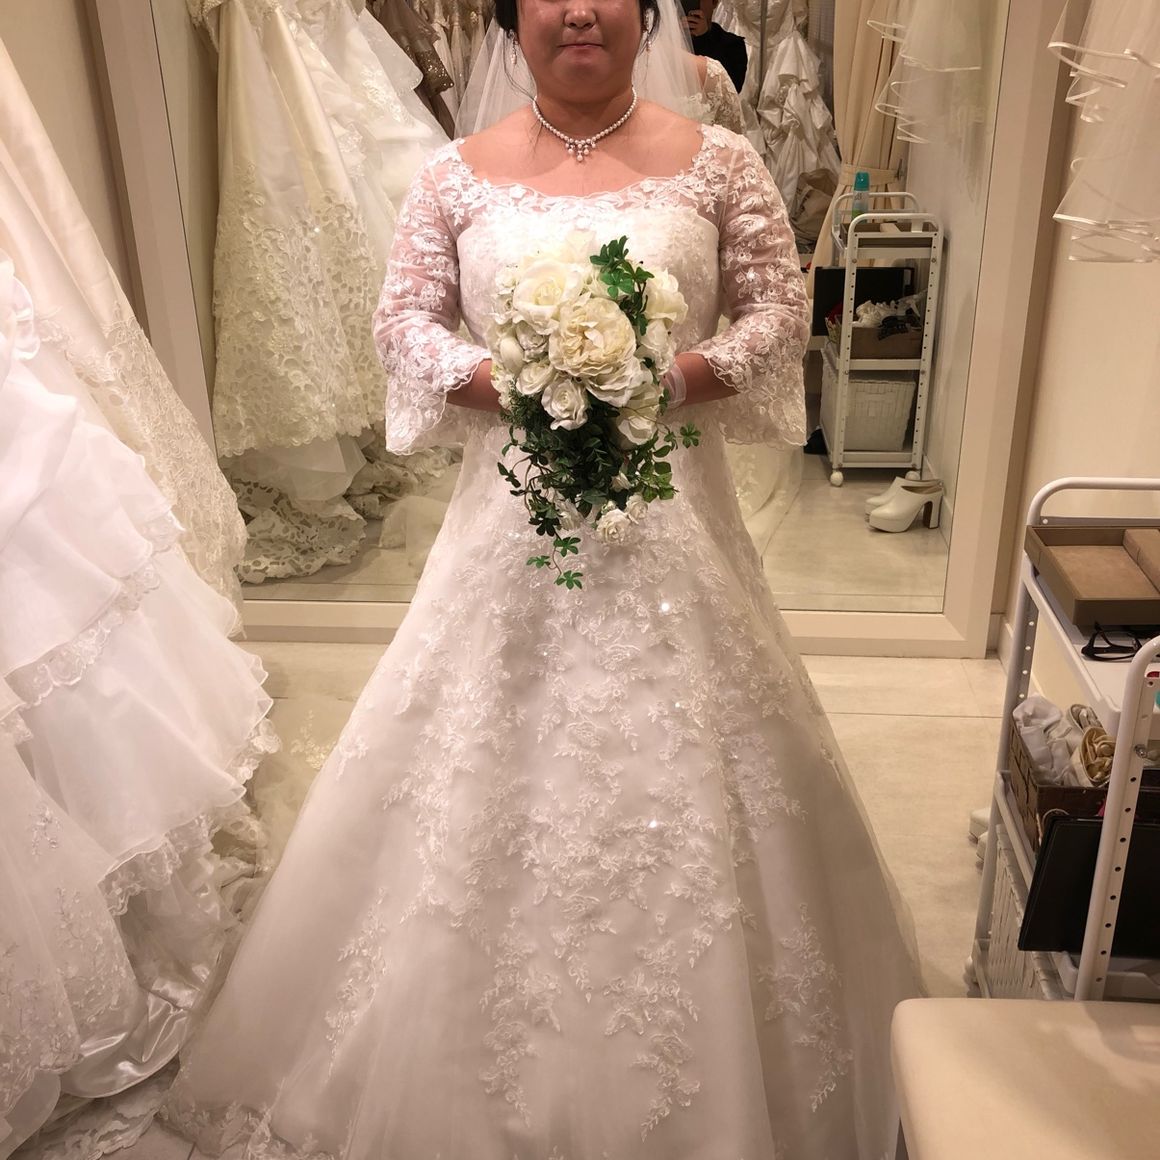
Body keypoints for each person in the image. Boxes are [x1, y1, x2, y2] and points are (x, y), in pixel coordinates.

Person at [162, 2, 921, 1158]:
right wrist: (518, 384)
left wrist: (666, 377)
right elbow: (403, 324)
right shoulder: (452, 175)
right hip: (504, 545)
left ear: (643, 12)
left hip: (675, 542)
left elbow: (778, 312)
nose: (576, 11)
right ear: (511, 20)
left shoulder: (721, 162)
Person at [685, 0, 748, 94]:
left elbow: (731, 92)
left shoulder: (733, 45)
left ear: (714, 2)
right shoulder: (665, 40)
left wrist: (703, 38)